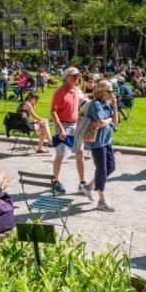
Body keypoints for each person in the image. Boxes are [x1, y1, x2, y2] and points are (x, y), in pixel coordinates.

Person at [49, 67, 92, 198]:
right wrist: (60, 128)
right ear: (66, 77)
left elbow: (81, 100)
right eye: (74, 76)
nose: (76, 78)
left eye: (77, 76)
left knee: (79, 153)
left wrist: (89, 97)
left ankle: (82, 183)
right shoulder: (60, 92)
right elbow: (53, 111)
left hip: (74, 125)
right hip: (62, 125)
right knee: (60, 155)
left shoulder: (76, 90)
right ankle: (55, 182)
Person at [83, 80, 119, 211]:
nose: (112, 94)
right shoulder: (96, 104)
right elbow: (102, 122)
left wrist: (114, 106)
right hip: (97, 143)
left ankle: (88, 186)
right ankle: (102, 201)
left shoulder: (107, 104)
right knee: (102, 169)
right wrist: (109, 119)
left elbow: (115, 121)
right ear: (101, 92)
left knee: (111, 167)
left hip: (107, 140)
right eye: (109, 91)